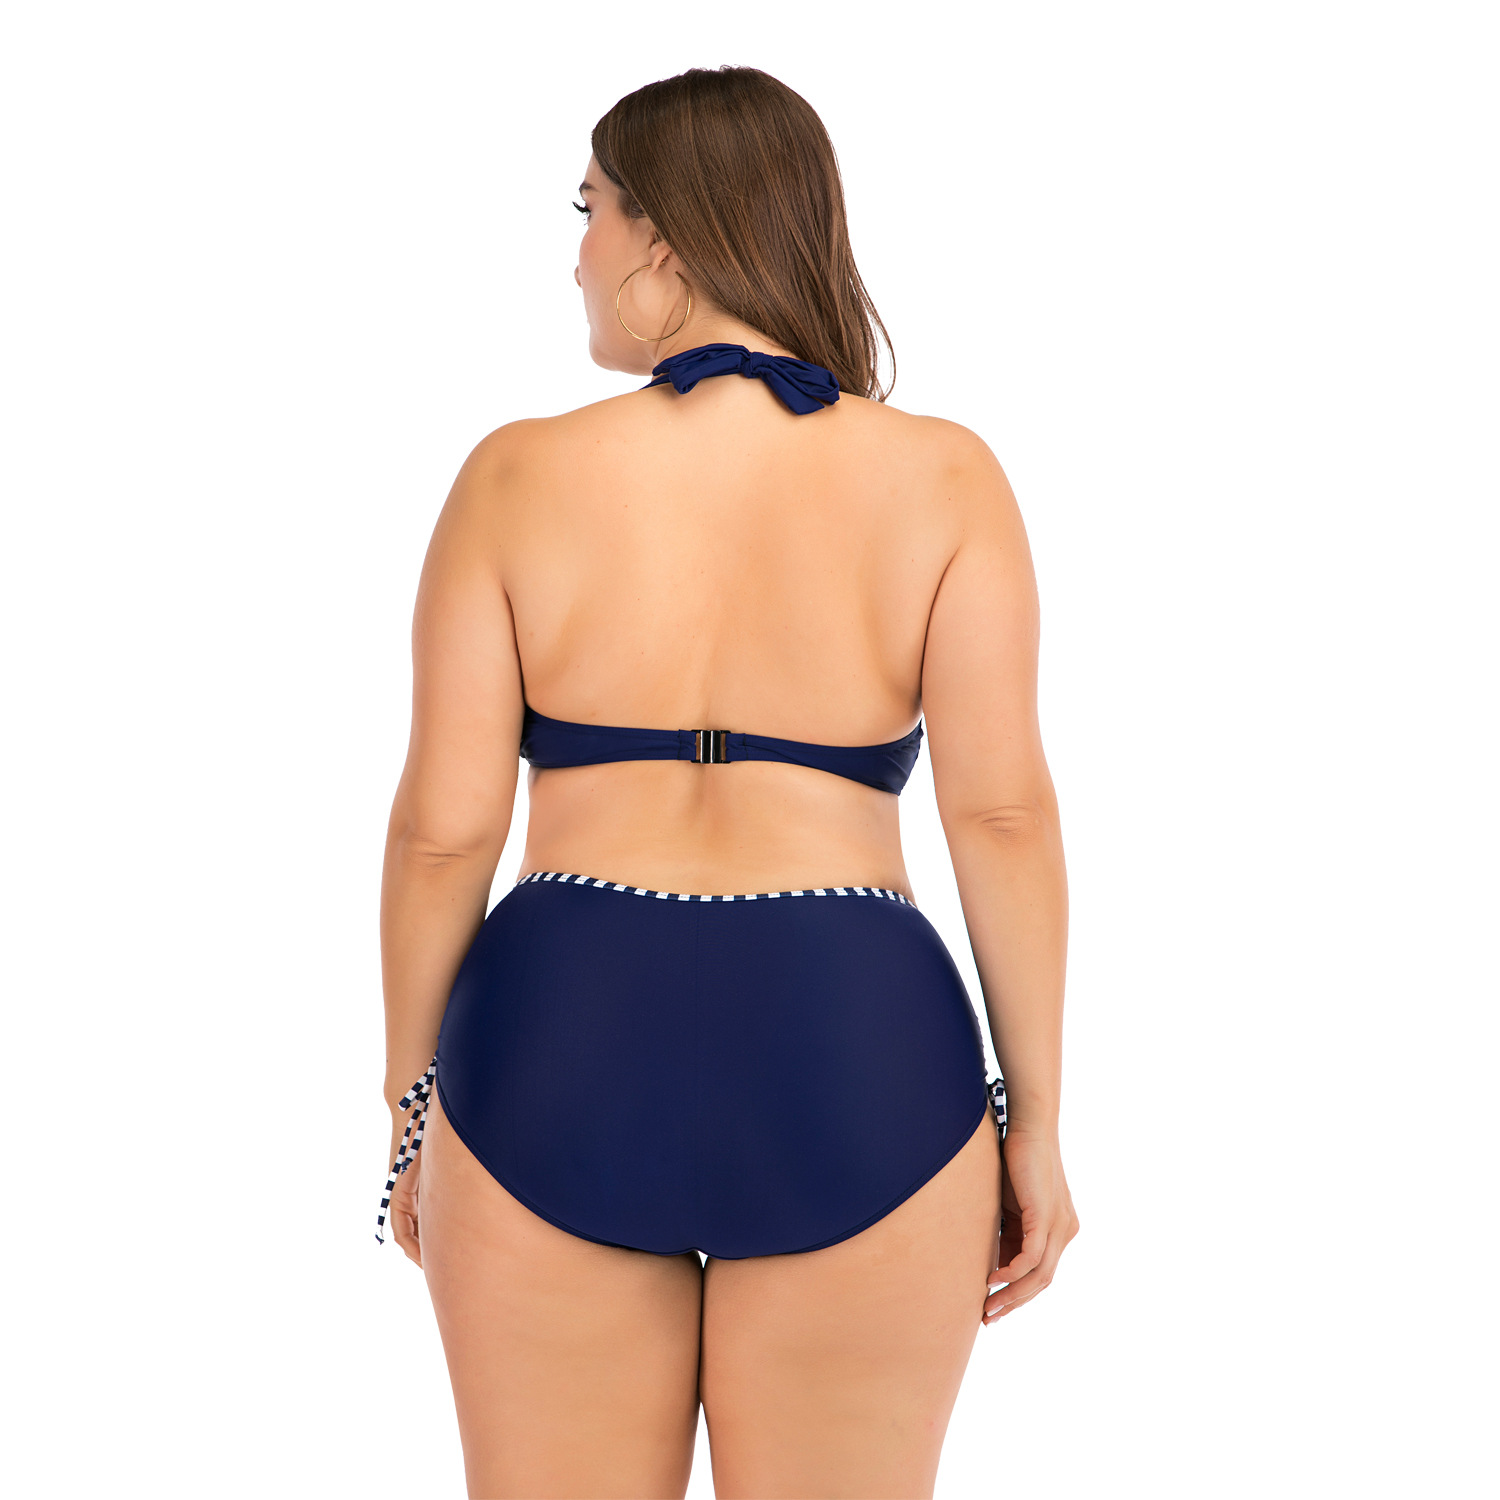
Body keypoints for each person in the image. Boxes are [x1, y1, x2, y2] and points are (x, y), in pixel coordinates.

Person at [377, 65, 1078, 1500]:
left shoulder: (514, 477)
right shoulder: (946, 479)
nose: (576, 252)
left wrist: (411, 1114)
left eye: (589, 209)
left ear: (665, 234)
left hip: (558, 1035)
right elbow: (1001, 815)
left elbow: (444, 836)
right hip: (856, 1044)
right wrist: (1042, 1125)